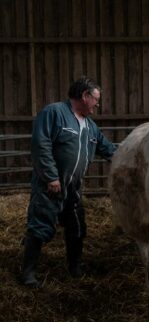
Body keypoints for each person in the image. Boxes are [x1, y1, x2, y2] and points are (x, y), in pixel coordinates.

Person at [20, 76, 117, 287]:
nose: (97, 104)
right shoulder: (54, 113)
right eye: (96, 99)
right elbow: (40, 144)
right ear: (84, 96)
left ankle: (74, 268)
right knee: (40, 226)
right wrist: (51, 176)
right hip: (50, 185)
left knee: (77, 228)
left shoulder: (91, 127)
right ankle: (28, 273)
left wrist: (133, 155)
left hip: (73, 188)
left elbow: (108, 149)